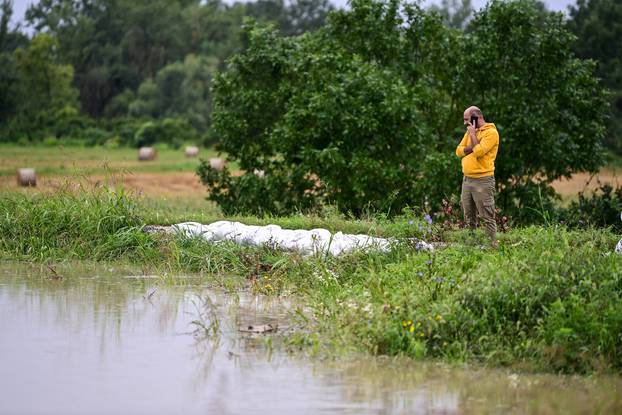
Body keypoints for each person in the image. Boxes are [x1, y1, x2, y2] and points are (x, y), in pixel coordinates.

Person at [455, 106, 500, 248]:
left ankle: (492, 247)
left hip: (483, 180)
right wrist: (471, 146)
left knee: (487, 216)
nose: (465, 123)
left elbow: (480, 152)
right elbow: (458, 151)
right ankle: (471, 246)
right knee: (469, 216)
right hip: (467, 180)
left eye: (467, 119)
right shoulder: (469, 132)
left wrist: (473, 135)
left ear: (476, 117)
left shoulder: (491, 133)